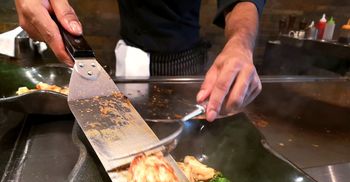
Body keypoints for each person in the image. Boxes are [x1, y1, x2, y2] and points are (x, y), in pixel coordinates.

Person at [15, 0, 265, 122]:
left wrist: (241, 43)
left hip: (184, 61)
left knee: (190, 132)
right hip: (131, 57)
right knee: (126, 127)